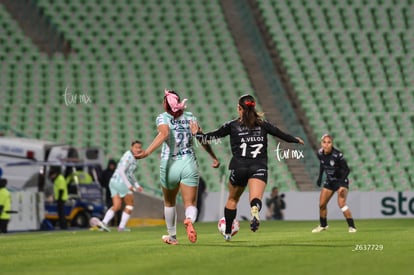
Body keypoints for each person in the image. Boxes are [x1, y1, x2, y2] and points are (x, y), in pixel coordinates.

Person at [191, 94, 304, 241]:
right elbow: (281, 134)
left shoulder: (232, 125)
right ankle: (255, 210)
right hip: (259, 167)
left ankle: (228, 233)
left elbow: (211, 137)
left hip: (239, 167)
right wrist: (295, 140)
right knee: (255, 198)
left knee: (232, 199)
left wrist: (197, 134)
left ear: (239, 108)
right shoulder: (263, 124)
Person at [136, 89, 220, 245]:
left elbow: (164, 134)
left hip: (169, 165)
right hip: (188, 162)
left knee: (169, 203)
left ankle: (172, 237)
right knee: (190, 204)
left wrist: (147, 152)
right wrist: (213, 156)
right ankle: (189, 220)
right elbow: (201, 139)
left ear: (166, 104)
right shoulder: (190, 117)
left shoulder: (162, 118)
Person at [312, 134, 357, 233]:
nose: (326, 145)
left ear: (332, 144)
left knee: (341, 204)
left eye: (329, 142)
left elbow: (347, 170)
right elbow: (322, 165)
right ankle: (323, 225)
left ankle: (352, 226)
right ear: (321, 143)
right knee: (322, 205)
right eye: (324, 142)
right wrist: (319, 178)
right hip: (330, 181)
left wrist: (341, 184)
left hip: (341, 180)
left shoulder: (338, 155)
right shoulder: (320, 153)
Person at [97, 141, 144, 232]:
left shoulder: (133, 157)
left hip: (113, 182)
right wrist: (129, 185)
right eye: (136, 147)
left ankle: (104, 223)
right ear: (131, 147)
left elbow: (130, 173)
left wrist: (137, 185)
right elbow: (122, 171)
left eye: (139, 147)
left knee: (117, 206)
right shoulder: (128, 156)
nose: (138, 149)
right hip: (121, 182)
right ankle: (121, 227)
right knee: (130, 204)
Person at [99, 159, 121, 226]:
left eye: (113, 165)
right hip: (109, 193)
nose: (111, 166)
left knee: (118, 209)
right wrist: (106, 186)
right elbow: (102, 181)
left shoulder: (117, 172)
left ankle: (119, 224)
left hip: (117, 193)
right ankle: (111, 223)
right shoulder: (105, 172)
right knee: (110, 208)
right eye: (110, 165)